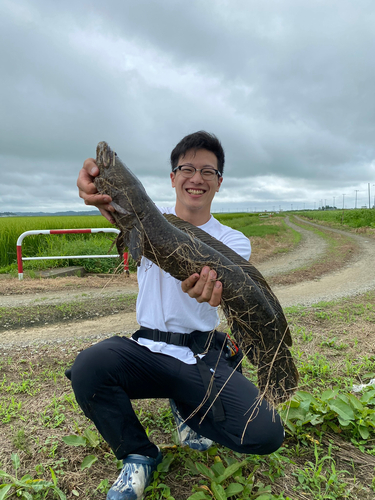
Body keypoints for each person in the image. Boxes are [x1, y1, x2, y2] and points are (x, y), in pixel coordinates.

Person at [67, 131, 284, 500]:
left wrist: (213, 288)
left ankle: (188, 408)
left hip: (199, 356)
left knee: (266, 432)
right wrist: (95, 186)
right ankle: (138, 454)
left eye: (207, 171)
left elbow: (227, 287)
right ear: (172, 178)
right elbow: (105, 198)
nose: (196, 178)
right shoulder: (138, 220)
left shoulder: (233, 241)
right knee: (89, 367)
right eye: (186, 168)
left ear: (219, 182)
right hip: (146, 351)